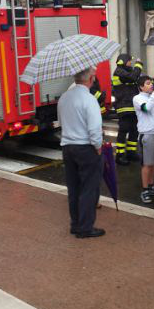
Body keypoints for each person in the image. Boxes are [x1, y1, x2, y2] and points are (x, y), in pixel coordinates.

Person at [58, 67, 105, 239]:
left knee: (74, 187)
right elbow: (95, 129)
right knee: (89, 188)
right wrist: (98, 147)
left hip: (68, 147)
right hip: (86, 148)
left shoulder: (64, 97)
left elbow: (61, 121)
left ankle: (75, 224)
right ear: (91, 78)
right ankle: (85, 227)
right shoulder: (89, 99)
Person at [133, 75, 154, 204]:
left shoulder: (153, 97)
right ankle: (145, 189)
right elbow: (146, 108)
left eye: (151, 83)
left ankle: (151, 186)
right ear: (141, 87)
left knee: (152, 164)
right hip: (147, 135)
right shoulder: (137, 98)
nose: (151, 85)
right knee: (147, 164)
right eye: (147, 83)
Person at [112, 53, 143, 165]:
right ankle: (119, 155)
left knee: (134, 130)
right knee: (124, 129)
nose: (131, 62)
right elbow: (133, 77)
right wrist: (139, 65)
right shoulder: (119, 71)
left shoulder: (127, 71)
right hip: (123, 106)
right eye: (130, 61)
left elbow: (136, 80)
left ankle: (131, 152)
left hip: (132, 105)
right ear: (124, 61)